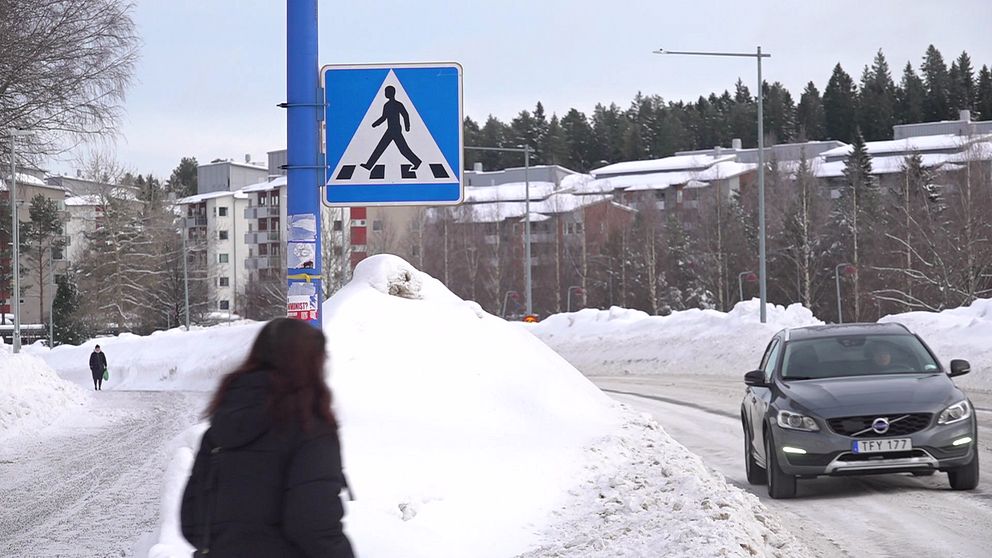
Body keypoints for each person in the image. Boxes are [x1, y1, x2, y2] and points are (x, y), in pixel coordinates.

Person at [181, 318, 354, 558]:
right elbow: (314, 526)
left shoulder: (220, 428)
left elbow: (191, 521)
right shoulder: (311, 430)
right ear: (312, 366)